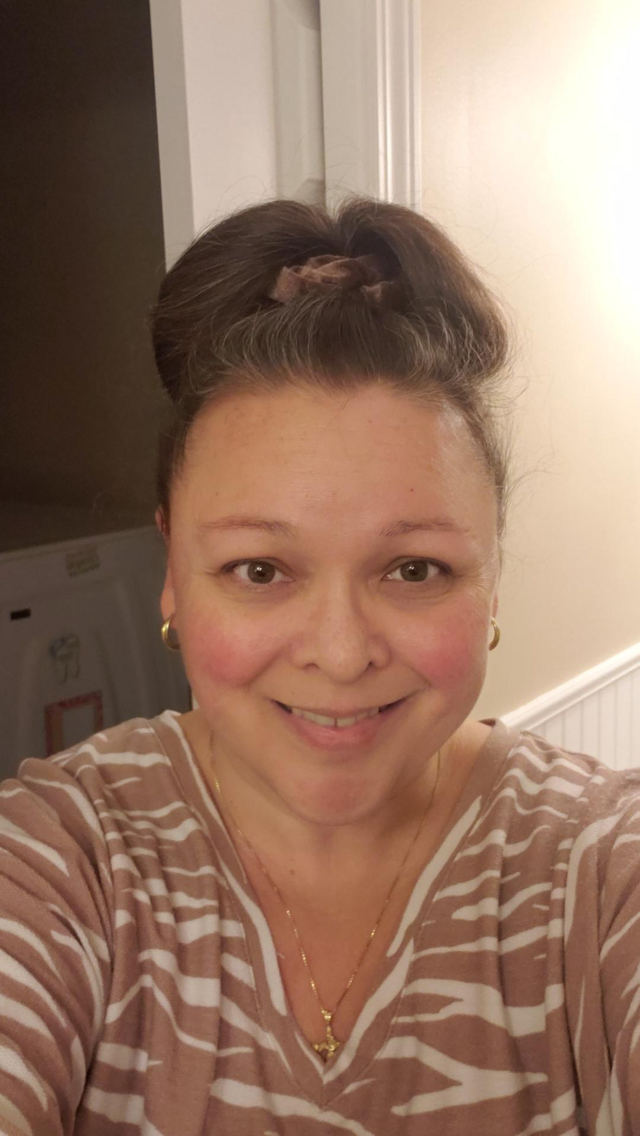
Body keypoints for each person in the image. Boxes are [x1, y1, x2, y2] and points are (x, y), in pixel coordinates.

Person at [1, 197, 638, 1136]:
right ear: (173, 571)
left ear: (492, 576)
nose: (340, 655)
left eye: (414, 569)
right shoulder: (60, 859)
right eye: (259, 570)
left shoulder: (601, 871)